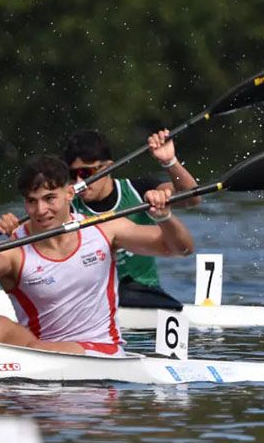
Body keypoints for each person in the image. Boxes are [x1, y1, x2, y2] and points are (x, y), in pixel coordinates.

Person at [0, 155, 194, 354]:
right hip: (42, 349)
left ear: (69, 193)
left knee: (45, 349)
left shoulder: (104, 229)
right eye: (32, 202)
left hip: (101, 351)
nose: (41, 211)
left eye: (50, 198)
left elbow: (180, 248)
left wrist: (164, 217)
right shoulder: (16, 248)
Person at [62, 129, 201, 310]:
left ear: (108, 167)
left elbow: (192, 198)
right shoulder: (66, 207)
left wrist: (169, 162)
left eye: (85, 173)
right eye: (72, 175)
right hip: (93, 298)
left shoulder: (140, 190)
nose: (79, 182)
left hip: (144, 292)